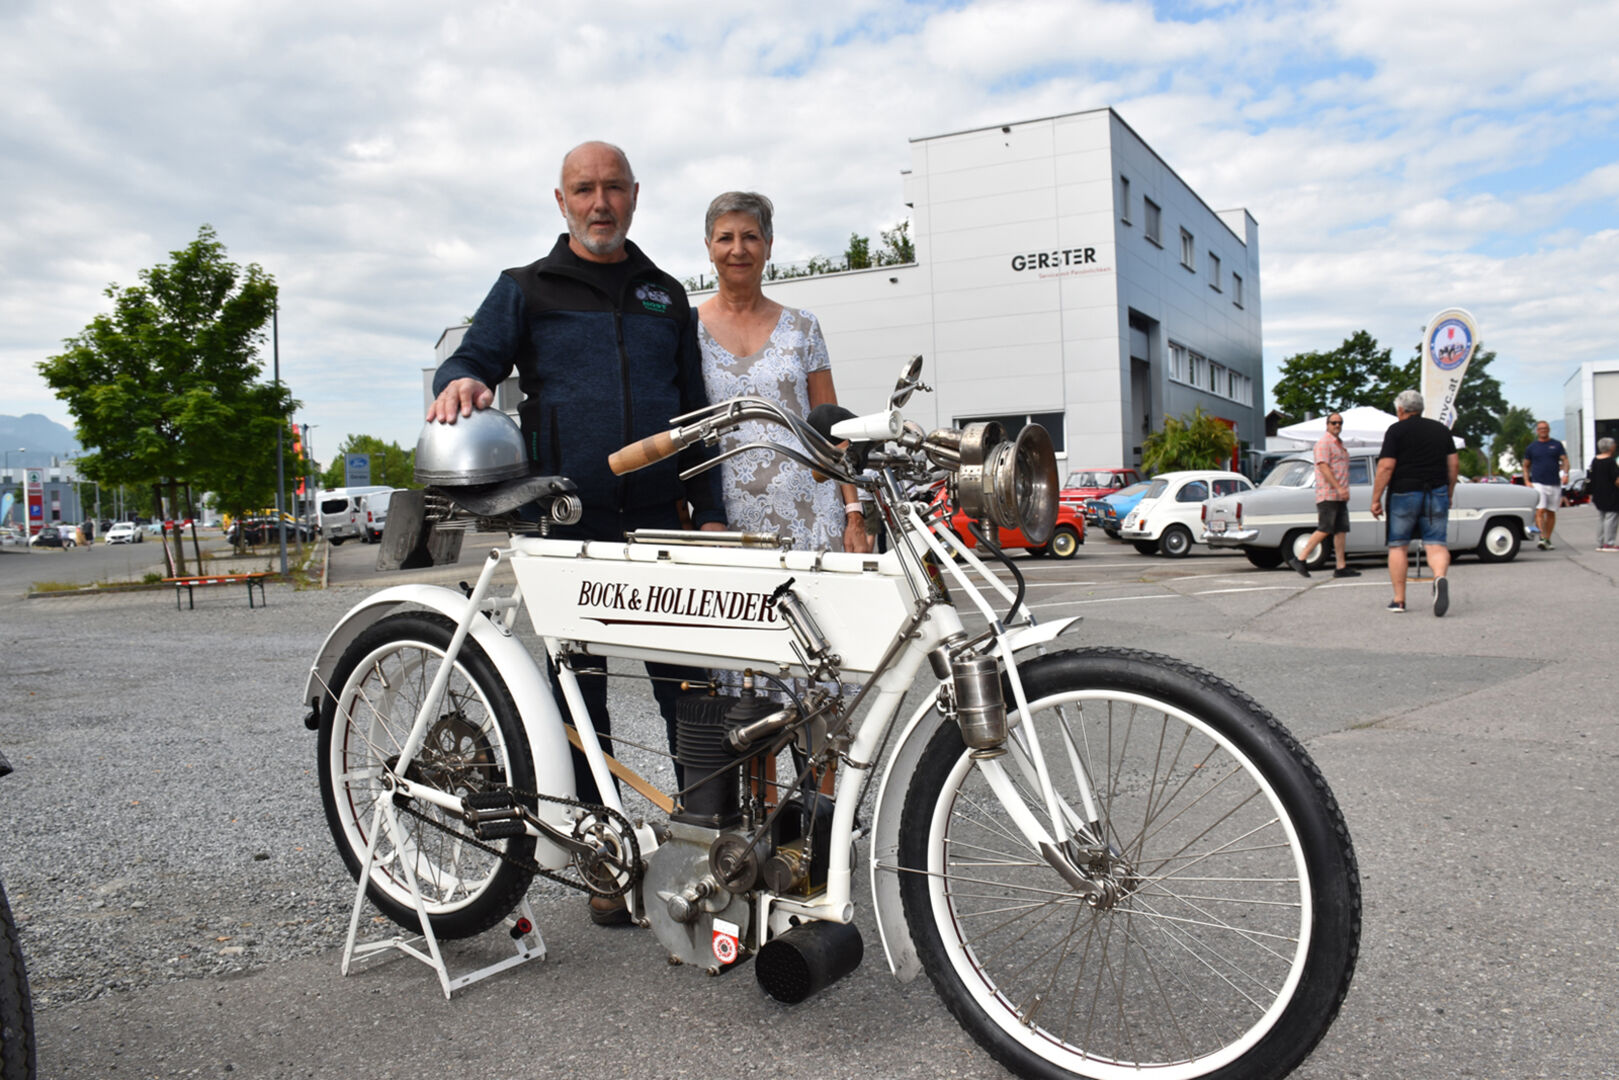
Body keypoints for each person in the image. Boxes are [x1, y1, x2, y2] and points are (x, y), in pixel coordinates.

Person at [426, 141, 724, 924]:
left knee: (687, 686)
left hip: (663, 521)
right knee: (578, 693)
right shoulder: (527, 287)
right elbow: (472, 357)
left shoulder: (664, 295)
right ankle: (603, 856)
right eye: (584, 190)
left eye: (613, 189)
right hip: (568, 522)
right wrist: (458, 379)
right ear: (560, 201)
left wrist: (714, 507)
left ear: (635, 195)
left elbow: (696, 416)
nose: (600, 203)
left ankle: (699, 847)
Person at [695, 191, 871, 556]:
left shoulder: (803, 327)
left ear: (769, 246)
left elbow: (832, 431)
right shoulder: (687, 329)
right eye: (726, 238)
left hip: (813, 513)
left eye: (751, 237)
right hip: (727, 521)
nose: (738, 249)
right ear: (709, 248)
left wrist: (854, 515)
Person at [1370, 389, 1458, 616]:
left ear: (1400, 409)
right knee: (1436, 543)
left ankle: (1399, 600)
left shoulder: (1396, 431)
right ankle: (1439, 577)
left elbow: (1386, 466)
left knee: (1398, 545)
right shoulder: (1441, 430)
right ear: (1421, 409)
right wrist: (1448, 492)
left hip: (1404, 492)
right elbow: (1454, 465)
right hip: (1435, 491)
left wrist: (1376, 498)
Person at [1287, 411, 1360, 579]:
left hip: (1339, 495)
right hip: (1328, 494)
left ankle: (1341, 567)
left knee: (1341, 530)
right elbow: (1323, 467)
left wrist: (1343, 489)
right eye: (1334, 422)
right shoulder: (1324, 443)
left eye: (1340, 423)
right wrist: (1339, 487)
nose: (1337, 426)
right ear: (1327, 425)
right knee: (1325, 527)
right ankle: (1300, 558)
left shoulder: (1339, 444)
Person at [1521, 420, 1569, 549]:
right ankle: (1542, 537)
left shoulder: (1557, 445)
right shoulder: (1532, 447)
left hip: (1554, 482)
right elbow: (1526, 465)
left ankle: (1547, 538)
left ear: (1548, 430)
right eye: (1541, 428)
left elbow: (1565, 460)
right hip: (1538, 482)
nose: (1543, 430)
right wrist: (1527, 480)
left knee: (1551, 512)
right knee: (1540, 510)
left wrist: (1566, 474)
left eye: (1545, 428)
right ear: (1537, 431)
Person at [1589, 437, 1619, 551]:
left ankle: (1601, 542)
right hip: (1611, 493)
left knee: (1602, 517)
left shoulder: (1595, 460)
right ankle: (1609, 543)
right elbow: (1616, 479)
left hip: (1598, 493)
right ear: (1610, 447)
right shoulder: (1610, 461)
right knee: (1611, 518)